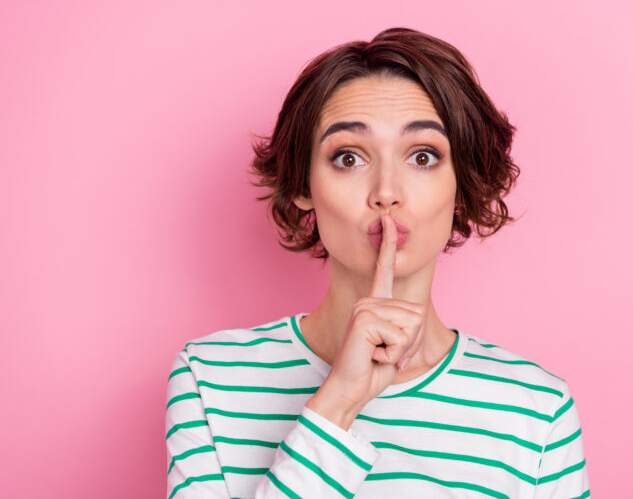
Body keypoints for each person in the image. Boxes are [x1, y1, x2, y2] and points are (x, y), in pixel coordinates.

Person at [165, 27, 590, 499]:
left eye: (423, 156)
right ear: (304, 185)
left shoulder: (536, 410)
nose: (386, 192)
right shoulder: (211, 379)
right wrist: (338, 405)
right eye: (349, 158)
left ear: (460, 185)